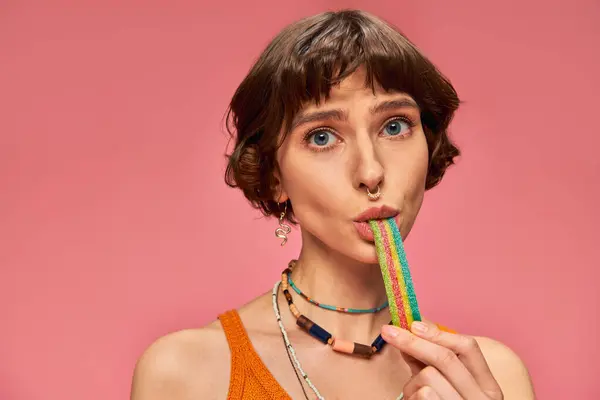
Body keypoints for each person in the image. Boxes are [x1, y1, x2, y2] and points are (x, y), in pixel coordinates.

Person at [130, 10, 535, 400]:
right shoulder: (184, 373)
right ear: (274, 177)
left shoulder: (491, 377)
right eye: (322, 136)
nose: (371, 171)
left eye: (395, 126)